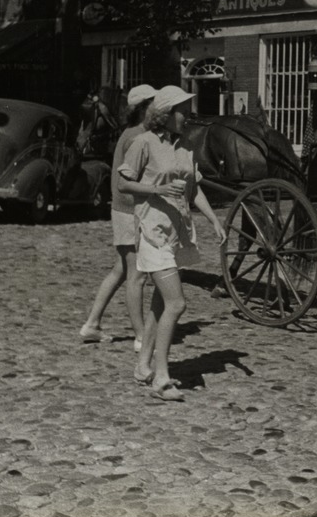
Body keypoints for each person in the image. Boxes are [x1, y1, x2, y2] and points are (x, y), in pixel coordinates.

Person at [118, 85, 226, 401]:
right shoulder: (143, 143)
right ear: (165, 114)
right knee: (177, 303)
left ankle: (143, 366)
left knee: (160, 304)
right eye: (183, 110)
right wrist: (156, 191)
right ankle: (161, 377)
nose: (188, 116)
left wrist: (214, 220)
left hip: (176, 234)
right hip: (152, 233)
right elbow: (124, 182)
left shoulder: (186, 147)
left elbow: (193, 191)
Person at [79, 84, 157, 349]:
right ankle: (140, 337)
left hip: (123, 211)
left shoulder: (135, 133)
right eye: (154, 104)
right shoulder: (137, 136)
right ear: (144, 109)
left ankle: (92, 324)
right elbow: (133, 181)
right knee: (137, 275)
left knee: (121, 270)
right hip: (130, 212)